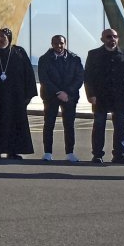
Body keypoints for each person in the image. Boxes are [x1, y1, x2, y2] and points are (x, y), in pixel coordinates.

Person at [84, 27, 124, 165]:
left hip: (119, 97)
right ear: (102, 39)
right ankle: (97, 155)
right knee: (99, 126)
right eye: (109, 37)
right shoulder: (93, 54)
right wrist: (90, 95)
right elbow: (88, 77)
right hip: (100, 97)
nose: (112, 39)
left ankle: (120, 154)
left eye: (115, 36)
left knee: (120, 127)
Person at [0, 27, 36, 159]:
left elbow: (28, 74)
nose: (0, 39)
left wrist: (28, 95)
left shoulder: (19, 52)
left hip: (15, 97)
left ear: (8, 38)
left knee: (14, 123)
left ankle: (13, 151)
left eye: (2, 37)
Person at [37, 34, 83, 163]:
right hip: (50, 96)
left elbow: (79, 78)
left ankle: (70, 153)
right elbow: (44, 79)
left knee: (69, 125)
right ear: (52, 44)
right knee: (49, 124)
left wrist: (67, 92)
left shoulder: (75, 59)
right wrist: (58, 92)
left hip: (69, 97)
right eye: (56, 43)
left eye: (61, 43)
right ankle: (47, 153)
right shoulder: (44, 59)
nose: (59, 46)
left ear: (65, 43)